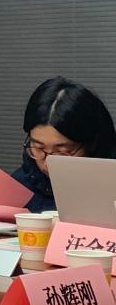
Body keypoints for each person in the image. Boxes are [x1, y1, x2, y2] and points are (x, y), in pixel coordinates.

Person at [13, 76, 116, 212]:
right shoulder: (20, 184)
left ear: (92, 143)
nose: (47, 164)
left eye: (62, 152)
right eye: (39, 148)